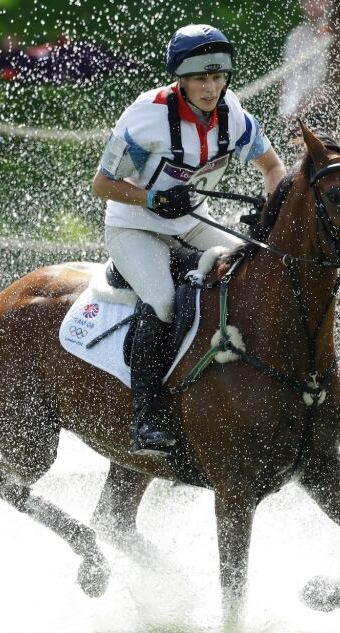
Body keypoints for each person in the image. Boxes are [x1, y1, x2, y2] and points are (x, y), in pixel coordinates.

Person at [92, 24, 286, 456]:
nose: (211, 88)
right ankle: (145, 417)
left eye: (218, 78)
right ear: (180, 79)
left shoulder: (232, 116)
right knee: (162, 301)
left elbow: (274, 170)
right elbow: (102, 184)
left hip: (191, 220)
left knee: (252, 269)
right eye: (201, 79)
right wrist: (152, 197)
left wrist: (270, 209)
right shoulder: (148, 118)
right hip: (134, 225)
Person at [278, 0, 340, 139]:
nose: (311, 3)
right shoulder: (296, 37)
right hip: (300, 114)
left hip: (332, 111)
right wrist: (287, 111)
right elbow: (289, 83)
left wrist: (308, 105)